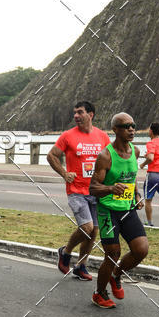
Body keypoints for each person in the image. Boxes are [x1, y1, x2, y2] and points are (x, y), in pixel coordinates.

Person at [89, 113, 149, 308]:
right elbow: (93, 188)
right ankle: (99, 293)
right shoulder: (105, 156)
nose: (131, 129)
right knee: (113, 254)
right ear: (115, 130)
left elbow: (132, 180)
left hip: (128, 209)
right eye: (126, 126)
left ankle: (117, 275)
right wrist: (110, 188)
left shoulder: (136, 151)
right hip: (108, 211)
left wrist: (137, 196)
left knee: (141, 250)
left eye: (133, 125)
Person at [47, 101, 110, 280]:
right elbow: (51, 155)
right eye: (74, 112)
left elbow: (109, 161)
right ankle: (66, 252)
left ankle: (81, 266)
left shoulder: (102, 136)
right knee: (86, 227)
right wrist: (64, 173)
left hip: (96, 190)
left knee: (94, 231)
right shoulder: (67, 136)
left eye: (80, 112)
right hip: (76, 190)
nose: (76, 116)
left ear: (90, 115)